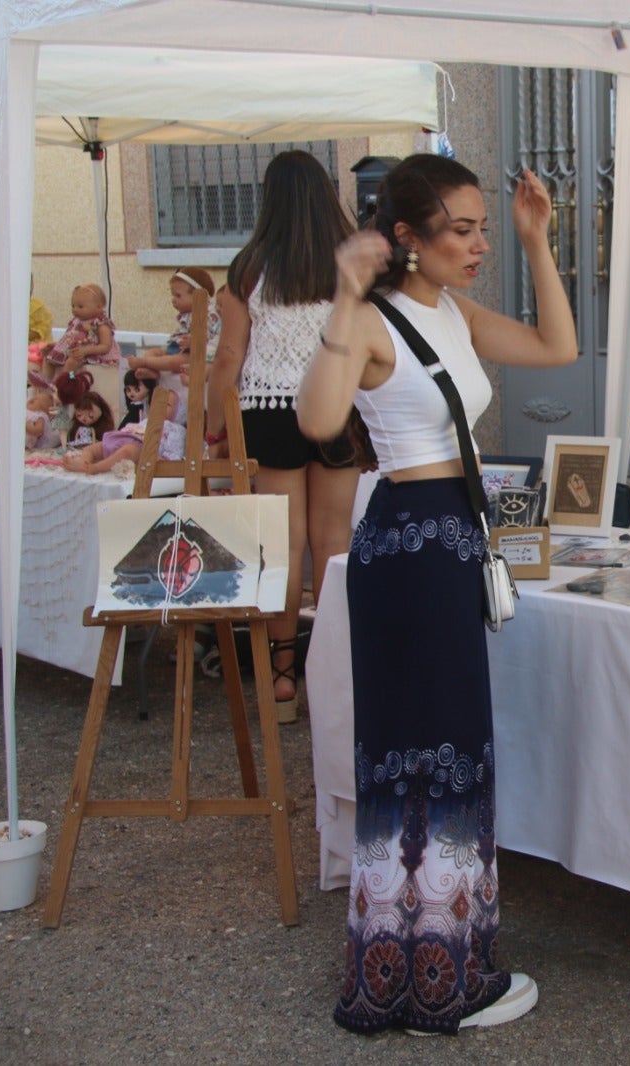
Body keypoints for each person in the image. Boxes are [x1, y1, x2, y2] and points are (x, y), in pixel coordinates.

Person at [295, 155, 576, 1035]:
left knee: (443, 755)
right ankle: (436, 983)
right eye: (463, 229)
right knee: (427, 758)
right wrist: (345, 295)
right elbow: (315, 420)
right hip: (413, 544)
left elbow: (556, 349)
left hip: (445, 539)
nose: (477, 242)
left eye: (482, 225)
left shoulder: (450, 310)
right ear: (407, 239)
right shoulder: (375, 319)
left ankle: (428, 969)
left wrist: (537, 243)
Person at [205, 150, 365, 724]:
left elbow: (229, 357)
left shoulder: (250, 266)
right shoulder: (348, 261)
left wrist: (212, 424)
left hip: (269, 409)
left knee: (283, 543)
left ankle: (280, 681)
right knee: (332, 539)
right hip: (340, 404)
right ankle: (336, 671)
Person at [126, 267, 221, 426]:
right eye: (172, 295)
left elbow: (209, 337)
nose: (173, 300)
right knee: (154, 351)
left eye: (178, 295)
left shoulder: (207, 313)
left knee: (175, 361)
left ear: (198, 295)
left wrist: (193, 340)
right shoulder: (186, 314)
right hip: (177, 347)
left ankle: (146, 363)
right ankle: (153, 369)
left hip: (194, 353)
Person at [62, 379, 182, 475]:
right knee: (92, 448)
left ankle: (95, 468)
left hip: (144, 449)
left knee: (127, 451)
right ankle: (84, 463)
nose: (159, 408)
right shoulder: (145, 421)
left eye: (167, 405)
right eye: (156, 404)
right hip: (124, 439)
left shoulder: (175, 429)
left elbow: (175, 452)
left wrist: (163, 458)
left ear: (176, 410)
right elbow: (131, 429)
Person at [43, 282, 120, 379]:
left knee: (71, 363)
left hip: (91, 354)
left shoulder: (100, 324)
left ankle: (67, 381)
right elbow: (69, 338)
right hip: (73, 351)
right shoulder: (76, 322)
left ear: (99, 307)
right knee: (48, 359)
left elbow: (105, 346)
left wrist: (85, 350)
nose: (75, 309)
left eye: (80, 306)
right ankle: (46, 383)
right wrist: (56, 345)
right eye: (73, 306)